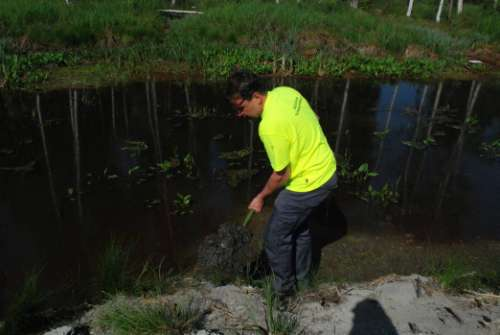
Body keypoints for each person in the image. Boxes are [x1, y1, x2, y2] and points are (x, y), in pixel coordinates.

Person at [226, 70, 337, 298]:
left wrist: (260, 197)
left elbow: (282, 175)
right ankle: (303, 280)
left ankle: (284, 290)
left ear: (256, 97)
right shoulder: (286, 92)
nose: (239, 114)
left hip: (310, 182)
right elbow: (314, 118)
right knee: (300, 228)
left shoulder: (268, 126)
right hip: (328, 169)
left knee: (275, 238)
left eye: (240, 107)